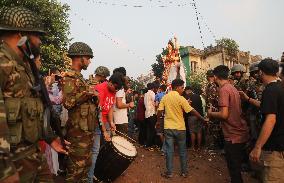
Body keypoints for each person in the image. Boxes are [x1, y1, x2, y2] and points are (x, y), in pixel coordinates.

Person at [0, 6, 68, 182]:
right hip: (12, 162)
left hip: (33, 154)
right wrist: (4, 169)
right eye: (37, 35)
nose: (39, 41)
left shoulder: (25, 67)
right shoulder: (2, 63)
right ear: (22, 34)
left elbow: (34, 110)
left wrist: (50, 138)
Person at [240, 59, 284, 183]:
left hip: (274, 151)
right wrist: (248, 99)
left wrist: (257, 147)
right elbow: (265, 105)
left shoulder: (270, 90)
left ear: (260, 72)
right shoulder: (280, 87)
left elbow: (270, 120)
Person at [61, 42, 98, 182]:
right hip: (77, 135)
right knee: (75, 171)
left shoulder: (81, 78)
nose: (89, 61)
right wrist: (88, 93)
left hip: (86, 133)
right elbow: (68, 103)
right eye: (88, 58)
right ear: (80, 58)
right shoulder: (69, 77)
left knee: (84, 168)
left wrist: (94, 96)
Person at [207, 65, 249, 183]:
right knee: (236, 168)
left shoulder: (224, 90)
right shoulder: (233, 87)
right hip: (239, 131)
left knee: (234, 169)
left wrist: (211, 113)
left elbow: (224, 115)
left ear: (215, 76)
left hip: (232, 134)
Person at [157, 79, 206, 178]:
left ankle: (169, 173)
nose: (183, 90)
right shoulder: (181, 99)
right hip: (180, 129)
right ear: (177, 87)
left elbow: (159, 111)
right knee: (182, 151)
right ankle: (184, 172)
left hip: (168, 128)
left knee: (169, 151)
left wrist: (158, 122)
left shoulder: (165, 98)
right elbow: (191, 110)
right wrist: (202, 118)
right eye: (182, 87)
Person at [88, 73, 124, 183]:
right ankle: (89, 179)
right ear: (110, 82)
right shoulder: (100, 89)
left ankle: (97, 172)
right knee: (94, 151)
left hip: (105, 123)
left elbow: (109, 108)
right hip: (96, 123)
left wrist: (111, 122)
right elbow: (98, 112)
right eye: (115, 88)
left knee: (104, 149)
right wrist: (104, 131)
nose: (115, 91)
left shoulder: (113, 91)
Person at [204, 70, 223, 150]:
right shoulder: (214, 86)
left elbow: (210, 101)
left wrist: (208, 114)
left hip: (213, 111)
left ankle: (214, 146)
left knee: (213, 129)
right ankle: (216, 145)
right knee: (215, 128)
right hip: (215, 110)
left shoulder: (212, 86)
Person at [184, 86, 204, 150]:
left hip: (191, 116)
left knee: (192, 132)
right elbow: (201, 107)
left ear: (187, 90)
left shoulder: (186, 97)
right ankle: (199, 147)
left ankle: (192, 147)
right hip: (199, 116)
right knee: (199, 132)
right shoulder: (198, 96)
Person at [144, 82, 158, 150]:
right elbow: (155, 103)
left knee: (148, 130)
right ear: (153, 88)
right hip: (152, 113)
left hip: (147, 114)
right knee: (152, 130)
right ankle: (150, 144)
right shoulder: (152, 93)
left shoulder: (146, 94)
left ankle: (147, 144)